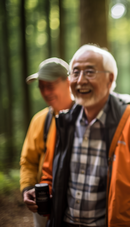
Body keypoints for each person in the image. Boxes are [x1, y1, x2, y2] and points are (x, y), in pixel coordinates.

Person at [24, 44, 130, 227]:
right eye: (75, 72)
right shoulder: (63, 122)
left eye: (90, 72)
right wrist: (41, 191)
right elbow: (50, 173)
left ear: (110, 78)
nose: (80, 80)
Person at [20, 57, 73, 227]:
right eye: (41, 87)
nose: (45, 92)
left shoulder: (86, 117)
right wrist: (27, 189)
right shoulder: (39, 120)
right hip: (44, 205)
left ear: (68, 82)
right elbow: (28, 161)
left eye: (50, 86)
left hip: (77, 205)